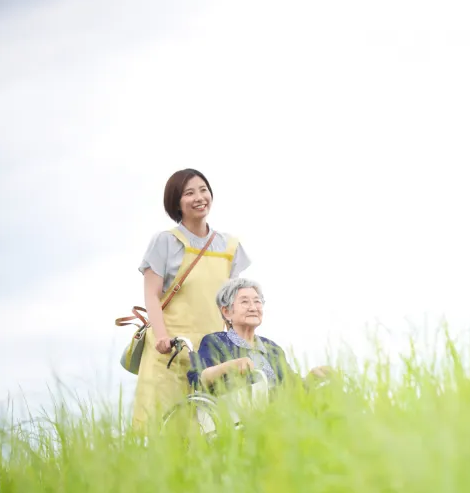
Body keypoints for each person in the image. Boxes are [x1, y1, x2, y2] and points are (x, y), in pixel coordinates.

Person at [132, 168, 252, 433]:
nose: (199, 197)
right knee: (161, 428)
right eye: (189, 193)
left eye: (203, 190)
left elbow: (233, 301)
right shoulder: (165, 242)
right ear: (177, 202)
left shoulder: (228, 246)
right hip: (169, 350)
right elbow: (152, 294)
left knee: (209, 428)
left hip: (210, 351)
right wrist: (162, 337)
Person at [187, 277, 332, 395]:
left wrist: (311, 378)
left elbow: (291, 385)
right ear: (226, 312)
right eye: (245, 302)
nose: (253, 307)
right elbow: (200, 379)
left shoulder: (272, 348)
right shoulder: (215, 342)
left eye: (257, 301)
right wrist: (232, 365)